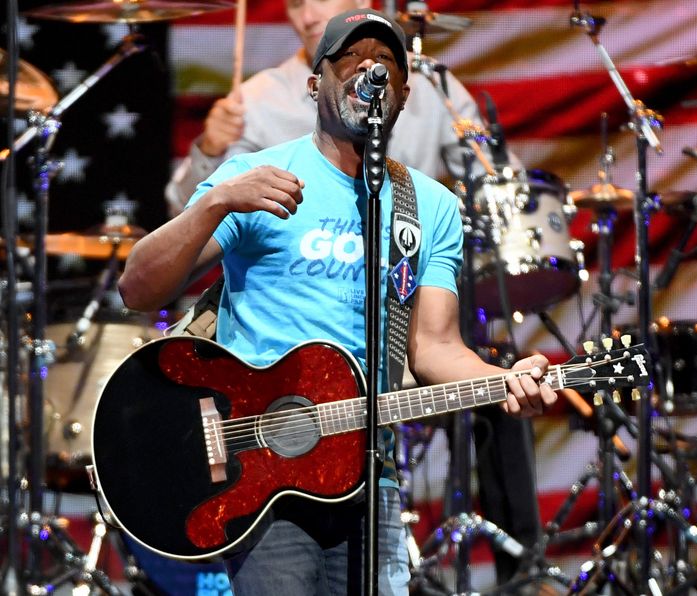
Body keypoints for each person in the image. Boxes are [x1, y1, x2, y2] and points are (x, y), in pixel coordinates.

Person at [120, 8, 557, 594]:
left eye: (384, 63)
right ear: (314, 83)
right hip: (263, 478)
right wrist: (215, 202)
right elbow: (138, 288)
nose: (367, 70)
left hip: (369, 476)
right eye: (348, 59)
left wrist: (505, 381)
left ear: (403, 95)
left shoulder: (429, 207)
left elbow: (435, 348)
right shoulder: (256, 176)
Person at [165, 0, 522, 217]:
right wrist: (210, 149)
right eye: (295, 4)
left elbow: (497, 177)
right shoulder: (258, 98)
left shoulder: (426, 80)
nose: (307, 17)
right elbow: (184, 210)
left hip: (409, 277)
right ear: (313, 87)